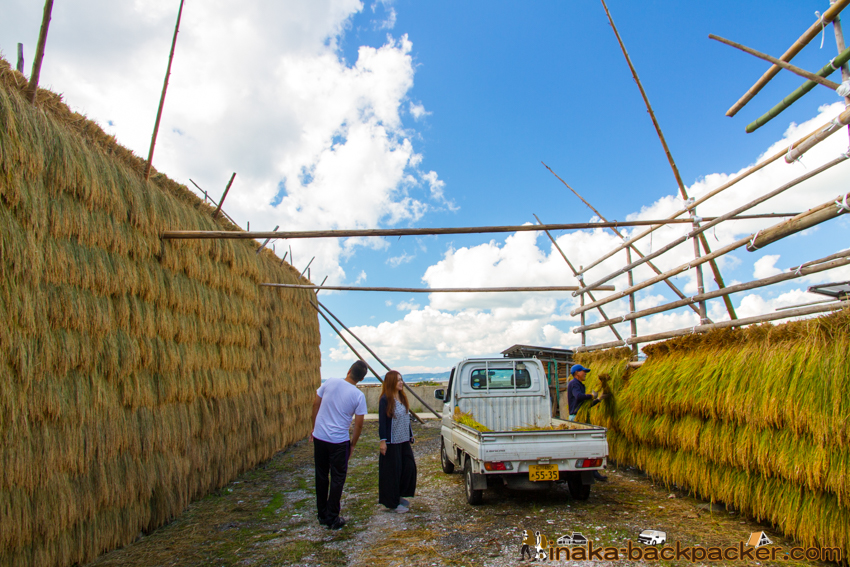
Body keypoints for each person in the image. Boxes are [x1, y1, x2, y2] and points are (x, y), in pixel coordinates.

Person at [311, 360, 368, 529]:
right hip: (339, 441)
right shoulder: (358, 396)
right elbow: (358, 424)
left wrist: (314, 428)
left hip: (320, 437)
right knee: (337, 478)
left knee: (321, 475)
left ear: (349, 370)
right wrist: (352, 445)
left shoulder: (330, 381)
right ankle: (332, 516)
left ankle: (321, 514)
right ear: (362, 379)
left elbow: (316, 404)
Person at [378, 370, 417, 513]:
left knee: (408, 468)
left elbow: (406, 419)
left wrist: (411, 435)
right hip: (392, 441)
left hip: (404, 440)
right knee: (392, 473)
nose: (401, 382)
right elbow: (382, 422)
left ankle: (400, 495)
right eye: (398, 380)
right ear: (391, 382)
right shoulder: (385, 400)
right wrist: (383, 441)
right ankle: (392, 503)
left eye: (401, 379)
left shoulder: (402, 398)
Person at [567, 363, 607, 481]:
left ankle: (592, 472)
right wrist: (591, 396)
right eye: (583, 371)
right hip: (576, 418)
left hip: (580, 416)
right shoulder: (574, 383)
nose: (585, 373)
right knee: (582, 445)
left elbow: (585, 406)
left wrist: (599, 399)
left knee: (587, 445)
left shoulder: (579, 384)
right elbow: (579, 397)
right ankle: (590, 472)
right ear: (577, 373)